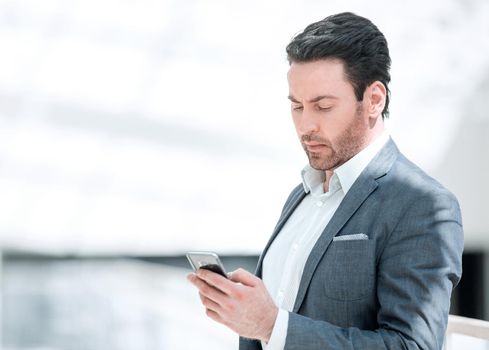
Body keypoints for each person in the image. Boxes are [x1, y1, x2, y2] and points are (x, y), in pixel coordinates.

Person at [187, 12, 464, 350]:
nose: (305, 126)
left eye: (323, 106)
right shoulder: (300, 196)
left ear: (374, 100)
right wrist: (247, 313)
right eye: (297, 106)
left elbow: (412, 346)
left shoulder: (423, 206)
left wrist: (272, 326)